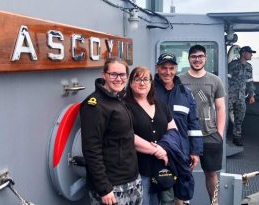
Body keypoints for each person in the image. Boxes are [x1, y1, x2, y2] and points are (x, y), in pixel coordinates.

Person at [80, 57, 142, 205]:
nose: (118, 79)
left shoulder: (120, 98)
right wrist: (104, 188)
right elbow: (91, 150)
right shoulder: (94, 105)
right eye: (113, 74)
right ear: (104, 75)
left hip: (131, 179)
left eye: (122, 75)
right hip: (112, 186)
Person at [154, 52, 204, 205]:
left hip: (181, 150)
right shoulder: (149, 91)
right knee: (160, 190)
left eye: (171, 68)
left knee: (182, 189)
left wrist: (195, 151)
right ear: (157, 68)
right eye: (163, 68)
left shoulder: (185, 93)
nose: (167, 72)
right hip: (158, 152)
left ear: (176, 69)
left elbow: (193, 123)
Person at [179, 45, 226, 205]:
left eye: (200, 56)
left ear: (205, 58)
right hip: (185, 137)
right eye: (193, 56)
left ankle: (214, 203)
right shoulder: (179, 80)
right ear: (189, 58)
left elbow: (220, 108)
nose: (197, 59)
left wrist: (219, 134)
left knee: (211, 174)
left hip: (209, 135)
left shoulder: (215, 80)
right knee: (184, 172)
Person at [125, 66, 176, 205]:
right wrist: (157, 150)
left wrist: (164, 148)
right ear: (130, 83)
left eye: (146, 79)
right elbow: (128, 136)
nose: (142, 83)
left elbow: (173, 130)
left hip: (162, 167)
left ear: (151, 83)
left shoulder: (160, 104)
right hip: (140, 170)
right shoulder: (124, 106)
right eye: (137, 79)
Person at [227, 46, 256, 146]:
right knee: (224, 116)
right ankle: (221, 137)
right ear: (243, 53)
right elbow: (226, 80)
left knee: (239, 118)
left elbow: (250, 82)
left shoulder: (249, 67)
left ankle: (237, 137)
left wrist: (251, 95)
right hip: (230, 96)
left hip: (241, 97)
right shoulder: (232, 65)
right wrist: (225, 94)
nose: (251, 55)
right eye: (250, 52)